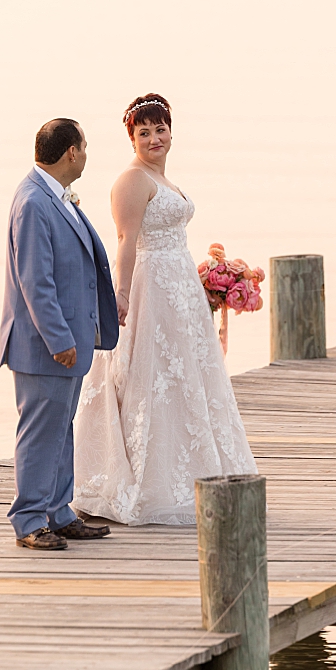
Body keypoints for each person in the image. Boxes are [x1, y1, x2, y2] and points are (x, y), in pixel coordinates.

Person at [73, 94, 257, 524]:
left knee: (187, 376)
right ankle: (150, 480)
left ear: (171, 131)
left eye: (160, 130)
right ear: (131, 139)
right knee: (154, 377)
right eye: (144, 133)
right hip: (151, 290)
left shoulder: (164, 178)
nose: (154, 138)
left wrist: (206, 279)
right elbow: (125, 241)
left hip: (181, 291)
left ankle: (201, 472)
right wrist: (121, 295)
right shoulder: (132, 180)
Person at [0, 119, 119, 550]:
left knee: (60, 427)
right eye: (84, 146)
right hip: (44, 346)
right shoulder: (33, 202)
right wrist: (60, 339)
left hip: (68, 340)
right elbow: (36, 281)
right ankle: (29, 520)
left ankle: (59, 511)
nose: (86, 153)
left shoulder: (57, 197)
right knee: (39, 429)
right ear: (71, 152)